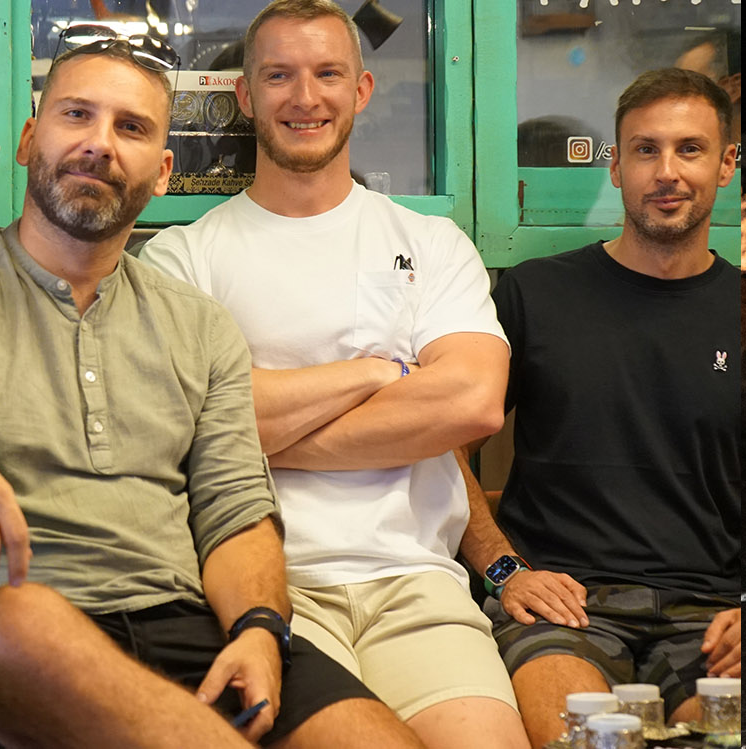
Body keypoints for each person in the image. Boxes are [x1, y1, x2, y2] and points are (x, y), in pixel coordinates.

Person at [0, 31, 424, 749]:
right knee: (16, 623)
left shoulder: (201, 325)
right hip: (18, 630)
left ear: (162, 171)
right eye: (76, 116)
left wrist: (258, 629)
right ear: (29, 140)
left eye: (130, 128)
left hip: (188, 626)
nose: (100, 143)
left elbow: (237, 513)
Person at [139, 2, 527, 748]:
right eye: (278, 76)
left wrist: (256, 431)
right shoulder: (184, 259)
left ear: (363, 90)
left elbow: (474, 402)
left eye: (327, 74)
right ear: (247, 97)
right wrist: (376, 373)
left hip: (420, 583)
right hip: (264, 585)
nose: (304, 97)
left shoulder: (431, 242)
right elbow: (183, 424)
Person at [456, 67, 742, 749]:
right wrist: (503, 569)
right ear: (615, 167)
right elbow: (441, 445)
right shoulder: (533, 296)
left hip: (714, 613)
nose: (666, 171)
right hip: (563, 608)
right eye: (645, 149)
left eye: (690, 149)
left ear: (728, 163)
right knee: (579, 739)